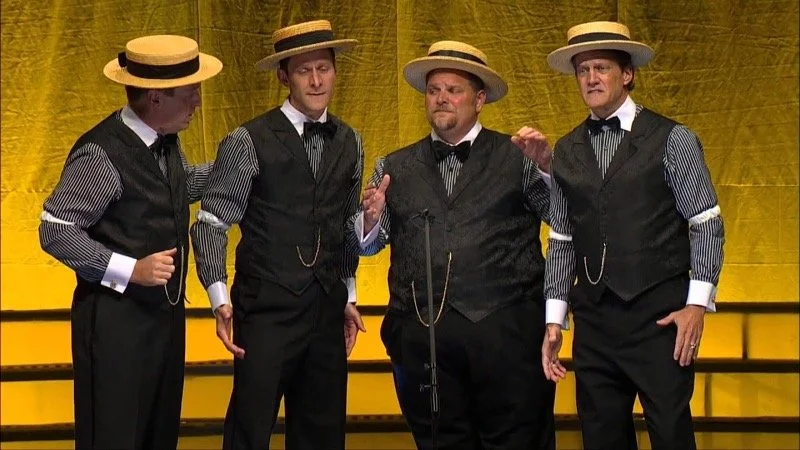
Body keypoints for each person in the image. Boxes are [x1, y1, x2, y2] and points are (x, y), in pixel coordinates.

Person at [349, 40, 556, 450]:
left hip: (508, 340)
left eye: (454, 90)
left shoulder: (519, 156)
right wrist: (369, 221)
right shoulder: (394, 166)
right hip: (423, 344)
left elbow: (564, 218)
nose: (442, 98)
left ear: (479, 100)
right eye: (434, 90)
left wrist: (548, 169)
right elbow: (367, 245)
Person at [540, 21, 725, 450]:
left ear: (627, 74)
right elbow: (562, 239)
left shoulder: (673, 139)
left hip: (660, 319)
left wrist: (696, 305)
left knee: (671, 433)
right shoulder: (566, 149)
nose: (591, 78)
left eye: (601, 68)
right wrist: (554, 319)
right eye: (583, 70)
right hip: (594, 321)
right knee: (601, 436)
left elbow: (706, 223)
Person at [38, 35, 222, 449]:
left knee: (158, 433)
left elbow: (176, 187)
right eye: (190, 93)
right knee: (116, 436)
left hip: (163, 320)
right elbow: (55, 228)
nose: (198, 101)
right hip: (116, 327)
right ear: (156, 98)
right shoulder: (101, 154)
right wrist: (130, 269)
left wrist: (231, 167)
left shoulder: (165, 139)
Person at [189, 19, 366, 450]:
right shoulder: (247, 140)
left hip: (326, 310)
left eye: (323, 68)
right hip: (266, 311)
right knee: (250, 430)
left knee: (323, 434)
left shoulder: (351, 141)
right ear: (284, 77)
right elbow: (211, 223)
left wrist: (348, 295)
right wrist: (219, 299)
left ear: (335, 71)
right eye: (304, 71)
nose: (316, 80)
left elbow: (346, 226)